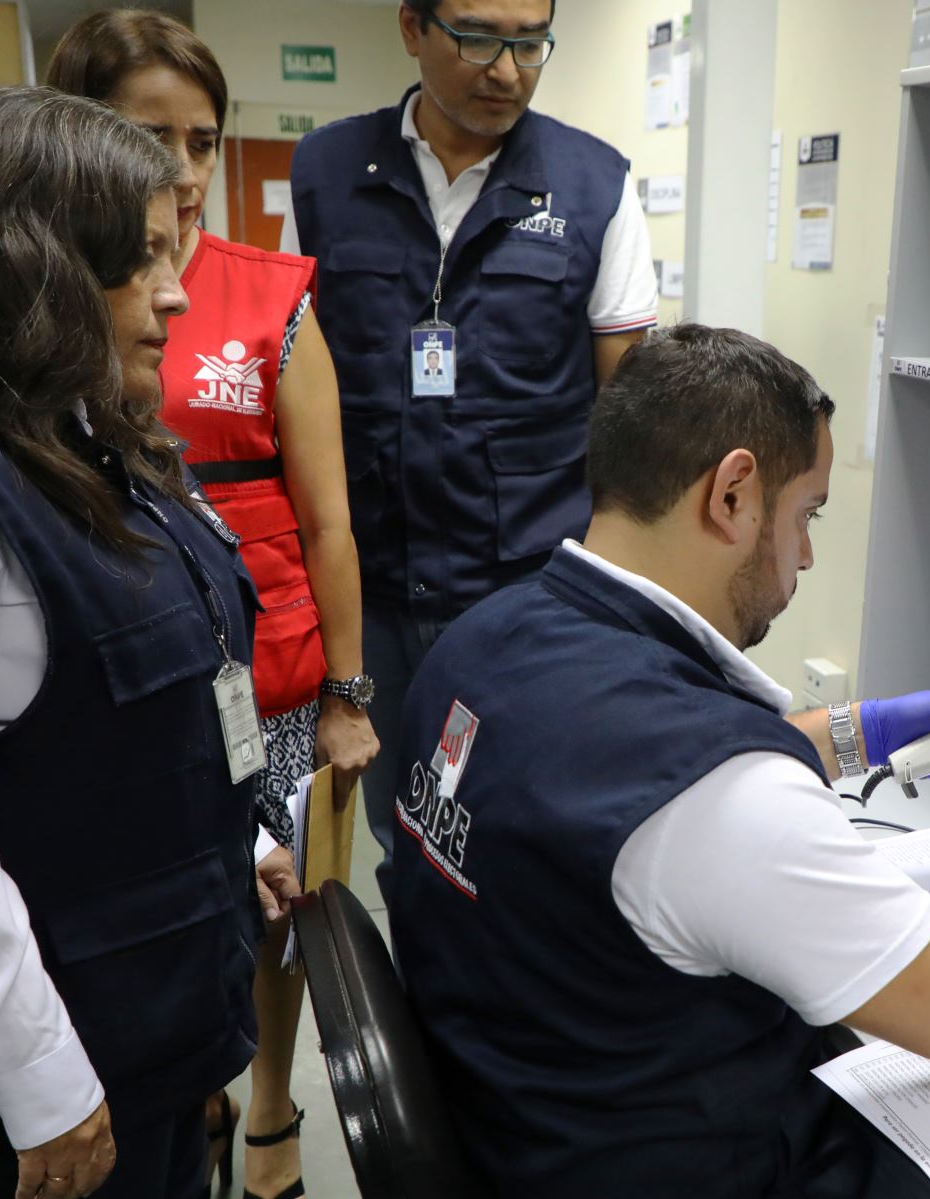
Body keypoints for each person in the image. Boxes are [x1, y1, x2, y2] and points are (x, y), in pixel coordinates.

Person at [389, 325, 930, 1195]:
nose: (808, 554)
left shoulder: (477, 643)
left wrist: (854, 734)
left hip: (526, 1115)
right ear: (734, 495)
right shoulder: (722, 798)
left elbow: (584, 774)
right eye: (807, 513)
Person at [0, 87, 299, 1199]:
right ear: (30, 269)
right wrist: (43, 1078)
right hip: (54, 1081)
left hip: (161, 1022)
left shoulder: (93, 433)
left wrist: (240, 842)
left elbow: (149, 703)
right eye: (139, 261)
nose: (178, 295)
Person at [47, 13, 377, 1198]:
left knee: (275, 911)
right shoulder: (44, 303)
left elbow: (333, 519)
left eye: (202, 140)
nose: (183, 173)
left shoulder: (272, 296)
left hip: (271, 681)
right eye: (151, 138)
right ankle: (194, 1088)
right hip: (121, 684)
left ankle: (274, 1101)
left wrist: (345, 693)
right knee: (168, 913)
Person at [284, 0, 660, 899]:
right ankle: (427, 1018)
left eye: (531, 44)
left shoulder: (594, 184)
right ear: (412, 27)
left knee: (532, 826)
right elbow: (291, 381)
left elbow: (635, 424)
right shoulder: (328, 173)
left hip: (525, 591)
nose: (507, 70)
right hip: (368, 589)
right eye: (480, 38)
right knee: (404, 833)